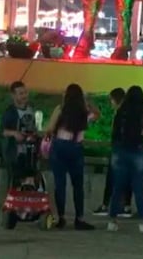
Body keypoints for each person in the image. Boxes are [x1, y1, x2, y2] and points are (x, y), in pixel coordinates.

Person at [47, 84, 99, 230]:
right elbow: (97, 114)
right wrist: (88, 102)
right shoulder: (84, 112)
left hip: (59, 147)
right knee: (78, 185)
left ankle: (61, 218)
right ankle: (79, 218)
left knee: (60, 184)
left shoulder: (60, 110)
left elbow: (50, 128)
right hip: (76, 148)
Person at [108, 85, 143, 234]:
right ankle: (142, 223)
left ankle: (113, 221)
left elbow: (113, 132)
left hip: (120, 152)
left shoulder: (121, 111)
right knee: (139, 188)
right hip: (137, 152)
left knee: (118, 188)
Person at [93, 88, 133, 217]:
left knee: (112, 178)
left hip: (119, 150)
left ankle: (107, 205)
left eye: (111, 100)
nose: (110, 103)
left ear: (116, 100)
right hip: (127, 150)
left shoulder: (120, 114)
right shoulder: (128, 113)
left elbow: (117, 134)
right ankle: (125, 206)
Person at [1, 81, 37, 191]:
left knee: (29, 178)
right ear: (13, 95)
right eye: (20, 93)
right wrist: (14, 134)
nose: (24, 96)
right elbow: (2, 131)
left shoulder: (31, 109)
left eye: (25, 93)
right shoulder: (10, 112)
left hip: (30, 151)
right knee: (15, 179)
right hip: (14, 152)